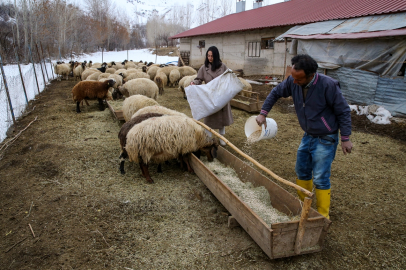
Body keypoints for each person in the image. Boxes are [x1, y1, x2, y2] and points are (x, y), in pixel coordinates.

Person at [256, 54, 353, 219]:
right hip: (308, 134)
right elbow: (275, 93)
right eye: (292, 77)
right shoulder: (293, 81)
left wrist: (345, 137)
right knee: (301, 170)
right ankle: (304, 208)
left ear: (311, 75)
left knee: (321, 177)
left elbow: (343, 111)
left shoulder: (328, 85)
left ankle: (322, 217)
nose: (294, 82)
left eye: (298, 79)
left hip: (326, 137)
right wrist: (263, 113)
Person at [190, 46, 232, 146]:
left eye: (212, 56)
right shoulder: (204, 68)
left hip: (221, 96)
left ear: (216, 56)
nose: (210, 58)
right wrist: (194, 83)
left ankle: (222, 137)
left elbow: (228, 78)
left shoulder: (223, 67)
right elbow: (198, 79)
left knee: (221, 118)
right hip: (209, 97)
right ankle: (208, 137)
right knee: (209, 118)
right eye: (208, 56)